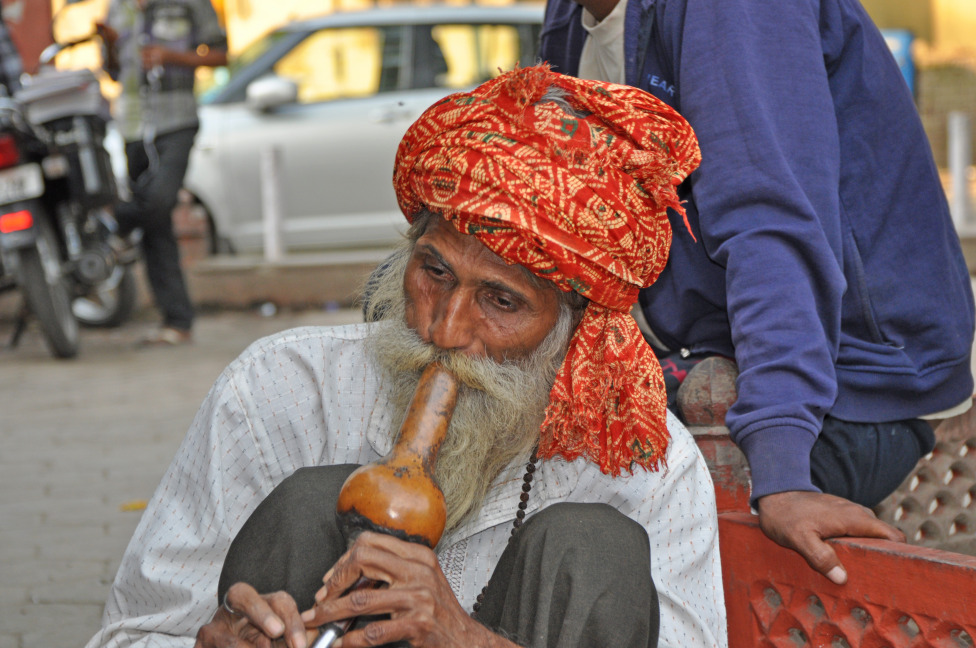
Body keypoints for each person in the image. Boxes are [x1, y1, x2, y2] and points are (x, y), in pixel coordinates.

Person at [84, 66, 727, 648]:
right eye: (435, 273)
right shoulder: (278, 388)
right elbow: (128, 635)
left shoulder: (648, 466)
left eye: (501, 302)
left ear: (575, 325)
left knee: (590, 548)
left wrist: (468, 641)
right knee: (315, 504)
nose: (446, 330)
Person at [539, 0, 976, 585]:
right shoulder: (572, 14)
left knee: (586, 545)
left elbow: (770, 227)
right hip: (707, 349)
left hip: (849, 393)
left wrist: (782, 468)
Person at [96, 0, 227, 346]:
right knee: (157, 225)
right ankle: (177, 322)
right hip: (133, 127)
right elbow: (111, 73)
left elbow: (220, 55)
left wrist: (174, 58)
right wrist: (109, 43)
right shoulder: (117, 7)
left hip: (177, 121)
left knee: (158, 200)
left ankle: (112, 224)